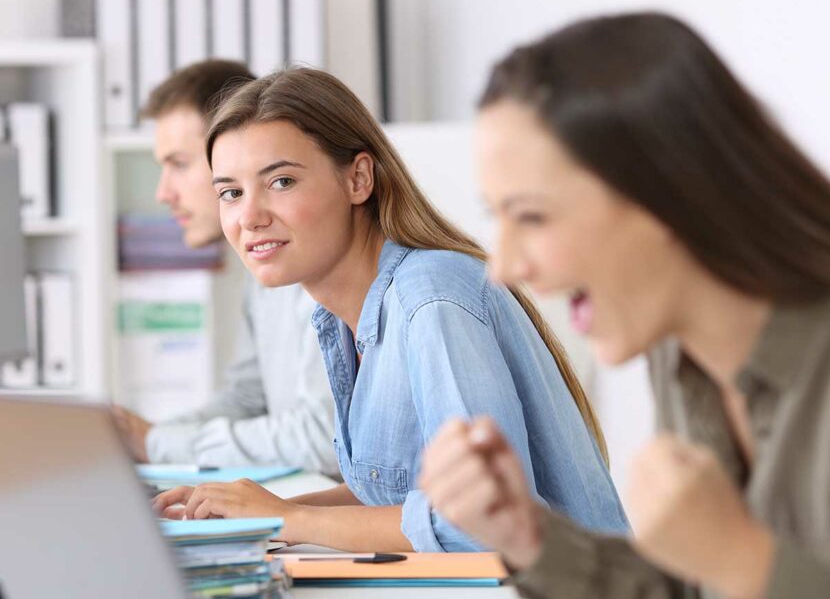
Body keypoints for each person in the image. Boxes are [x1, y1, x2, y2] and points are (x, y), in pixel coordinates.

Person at [418, 12, 830, 599]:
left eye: (532, 216)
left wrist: (744, 559)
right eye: (497, 216)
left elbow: (733, 569)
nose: (504, 267)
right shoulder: (679, 352)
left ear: (671, 194)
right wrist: (528, 536)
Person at [151, 67, 629, 553]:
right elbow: (394, 493)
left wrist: (288, 518)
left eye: (281, 182)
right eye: (230, 192)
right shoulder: (342, 318)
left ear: (359, 179)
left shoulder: (430, 298)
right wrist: (251, 509)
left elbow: (486, 525)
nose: (249, 216)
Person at [112, 60, 338, 476]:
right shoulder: (264, 272)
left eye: (179, 164)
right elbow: (249, 398)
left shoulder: (317, 267)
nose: (163, 193)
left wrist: (158, 443)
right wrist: (144, 438)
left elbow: (325, 437)